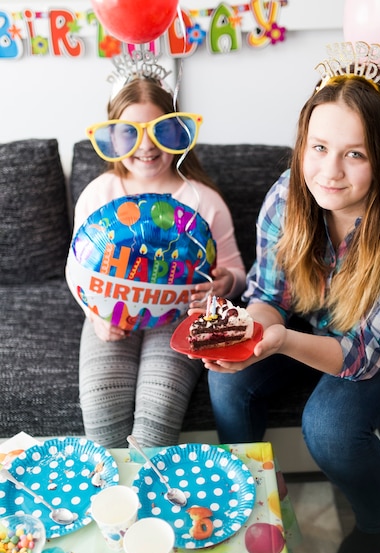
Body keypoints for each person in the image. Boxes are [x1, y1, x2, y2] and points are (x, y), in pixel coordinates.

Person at [205, 43, 380, 553]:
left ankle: (372, 520)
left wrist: (278, 343)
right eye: (319, 147)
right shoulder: (287, 196)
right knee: (228, 382)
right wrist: (245, 334)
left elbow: (362, 356)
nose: (329, 172)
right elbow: (271, 299)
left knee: (327, 425)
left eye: (356, 154)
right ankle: (250, 494)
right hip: (322, 323)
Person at [66, 61, 246, 449]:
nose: (146, 146)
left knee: (159, 405)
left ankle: (153, 499)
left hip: (179, 313)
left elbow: (236, 271)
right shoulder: (98, 194)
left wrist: (224, 283)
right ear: (113, 138)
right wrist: (95, 317)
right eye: (130, 134)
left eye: (160, 131)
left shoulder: (203, 199)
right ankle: (110, 497)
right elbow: (77, 269)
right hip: (111, 312)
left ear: (178, 133)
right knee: (100, 403)